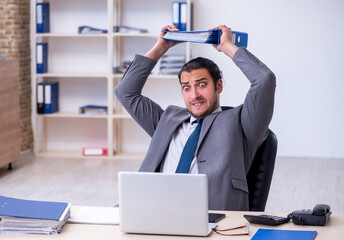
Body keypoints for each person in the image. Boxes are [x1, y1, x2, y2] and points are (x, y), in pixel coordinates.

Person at [115, 24, 276, 211]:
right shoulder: (167, 120)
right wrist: (161, 47)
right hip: (155, 211)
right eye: (186, 87)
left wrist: (227, 46)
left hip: (212, 220)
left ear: (219, 86)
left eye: (201, 85)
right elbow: (125, 92)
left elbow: (264, 80)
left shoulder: (241, 124)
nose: (194, 95)